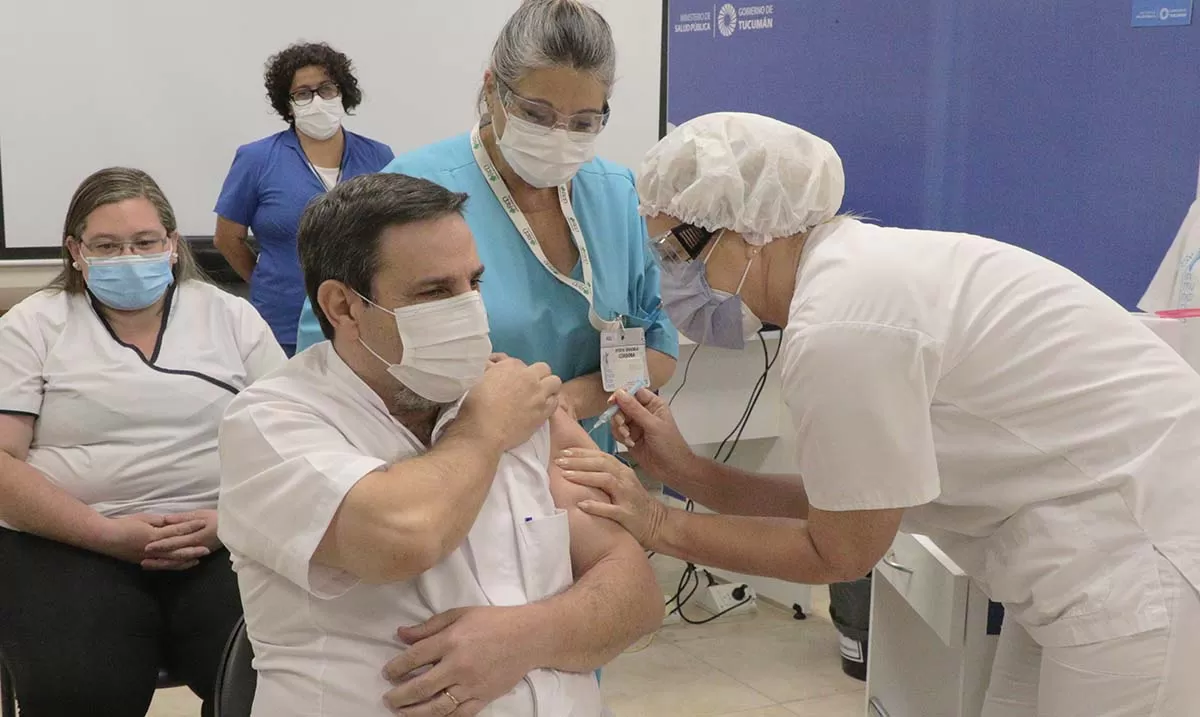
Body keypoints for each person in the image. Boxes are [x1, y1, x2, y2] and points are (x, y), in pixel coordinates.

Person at [556, 112, 1200, 716]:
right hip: (1093, 553)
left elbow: (839, 552)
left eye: (680, 249)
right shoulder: (856, 279)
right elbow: (846, 506)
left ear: (753, 226)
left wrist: (658, 523)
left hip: (1139, 561)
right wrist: (692, 476)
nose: (673, 275)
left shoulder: (843, 323)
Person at [217, 173, 661, 716]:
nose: (471, 308)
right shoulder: (270, 422)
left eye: (473, 283)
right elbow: (405, 536)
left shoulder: (509, 397)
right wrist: (483, 429)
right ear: (342, 306)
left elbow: (636, 592)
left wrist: (527, 637)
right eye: (434, 292)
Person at [294, 0, 678, 445]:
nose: (558, 134)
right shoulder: (415, 190)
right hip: (452, 471)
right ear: (493, 89)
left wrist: (567, 401)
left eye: (583, 122)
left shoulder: (616, 193)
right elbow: (333, 353)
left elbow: (657, 345)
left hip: (583, 471)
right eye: (536, 114)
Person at [0, 168, 287, 717]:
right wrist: (105, 534)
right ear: (75, 252)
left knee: (269, 680)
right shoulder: (32, 327)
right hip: (67, 541)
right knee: (80, 692)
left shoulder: (230, 318)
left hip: (221, 539)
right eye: (106, 245)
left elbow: (291, 438)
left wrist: (229, 521)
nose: (128, 256)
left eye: (144, 242)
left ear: (173, 245)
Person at [215, 41, 395, 355]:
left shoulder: (378, 156)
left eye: (326, 89)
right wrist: (268, 281)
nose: (317, 101)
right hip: (281, 324)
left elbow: (394, 234)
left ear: (342, 94)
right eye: (303, 93)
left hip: (363, 323)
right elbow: (227, 238)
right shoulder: (256, 159)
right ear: (288, 104)